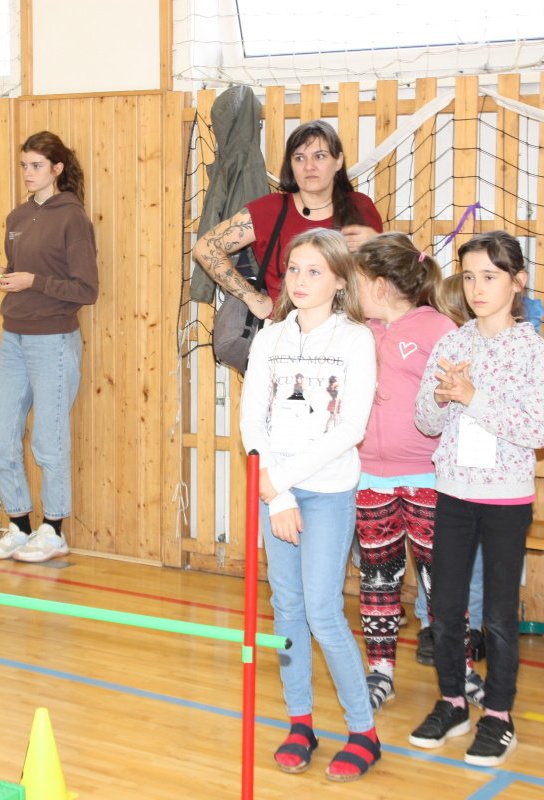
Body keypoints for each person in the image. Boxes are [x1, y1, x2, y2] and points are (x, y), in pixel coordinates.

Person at [408, 231, 544, 767]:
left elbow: (537, 430)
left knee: (497, 613)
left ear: (517, 282)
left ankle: (498, 714)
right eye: (469, 277)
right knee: (445, 609)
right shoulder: (452, 343)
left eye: (490, 277)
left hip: (505, 500)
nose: (477, 288)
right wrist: (442, 397)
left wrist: (474, 397)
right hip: (453, 493)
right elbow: (426, 422)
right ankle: (452, 702)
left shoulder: (534, 351)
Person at [240, 228, 380, 782]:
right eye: (294, 269)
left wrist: (281, 483)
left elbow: (349, 429)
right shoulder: (270, 338)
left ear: (340, 280)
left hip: (326, 492)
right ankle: (300, 722)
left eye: (314, 271)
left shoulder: (355, 340)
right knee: (288, 609)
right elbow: (252, 421)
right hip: (277, 494)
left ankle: (363, 731)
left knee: (323, 611)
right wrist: (278, 494)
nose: (299, 280)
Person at [349, 232, 456, 710]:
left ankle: (459, 674)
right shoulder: (360, 331)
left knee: (441, 583)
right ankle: (380, 671)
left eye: (355, 280)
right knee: (378, 580)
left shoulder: (438, 329)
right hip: (370, 478)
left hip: (428, 479)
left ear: (378, 285)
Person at [0, 132, 99, 563]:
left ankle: (53, 530)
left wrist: (34, 281)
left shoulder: (73, 218)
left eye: (36, 166)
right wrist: (5, 275)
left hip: (53, 339)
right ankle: (19, 526)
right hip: (14, 335)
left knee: (49, 441)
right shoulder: (17, 215)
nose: (28, 173)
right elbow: (23, 272)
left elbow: (86, 289)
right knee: (2, 437)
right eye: (24, 165)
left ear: (57, 169)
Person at [191, 120, 383, 322]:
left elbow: (385, 279)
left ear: (338, 161)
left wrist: (376, 244)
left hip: (349, 330)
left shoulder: (360, 207)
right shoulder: (270, 209)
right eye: (299, 158)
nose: (309, 166)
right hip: (286, 331)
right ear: (291, 165)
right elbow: (205, 247)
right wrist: (253, 298)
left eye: (319, 156)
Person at [414, 275, 487, 669]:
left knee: (471, 560)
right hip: (446, 474)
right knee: (434, 556)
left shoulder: (483, 356)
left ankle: (471, 628)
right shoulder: (445, 352)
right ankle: (431, 624)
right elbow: (428, 415)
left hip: (481, 478)